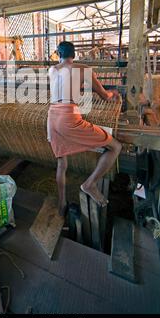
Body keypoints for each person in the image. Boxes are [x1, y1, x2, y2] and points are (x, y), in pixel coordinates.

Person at [47, 41, 122, 215]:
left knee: (61, 163)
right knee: (115, 147)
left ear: (59, 54)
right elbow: (104, 96)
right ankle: (90, 184)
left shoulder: (52, 70)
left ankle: (61, 204)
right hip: (68, 117)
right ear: (74, 54)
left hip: (52, 117)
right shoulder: (83, 69)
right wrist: (114, 93)